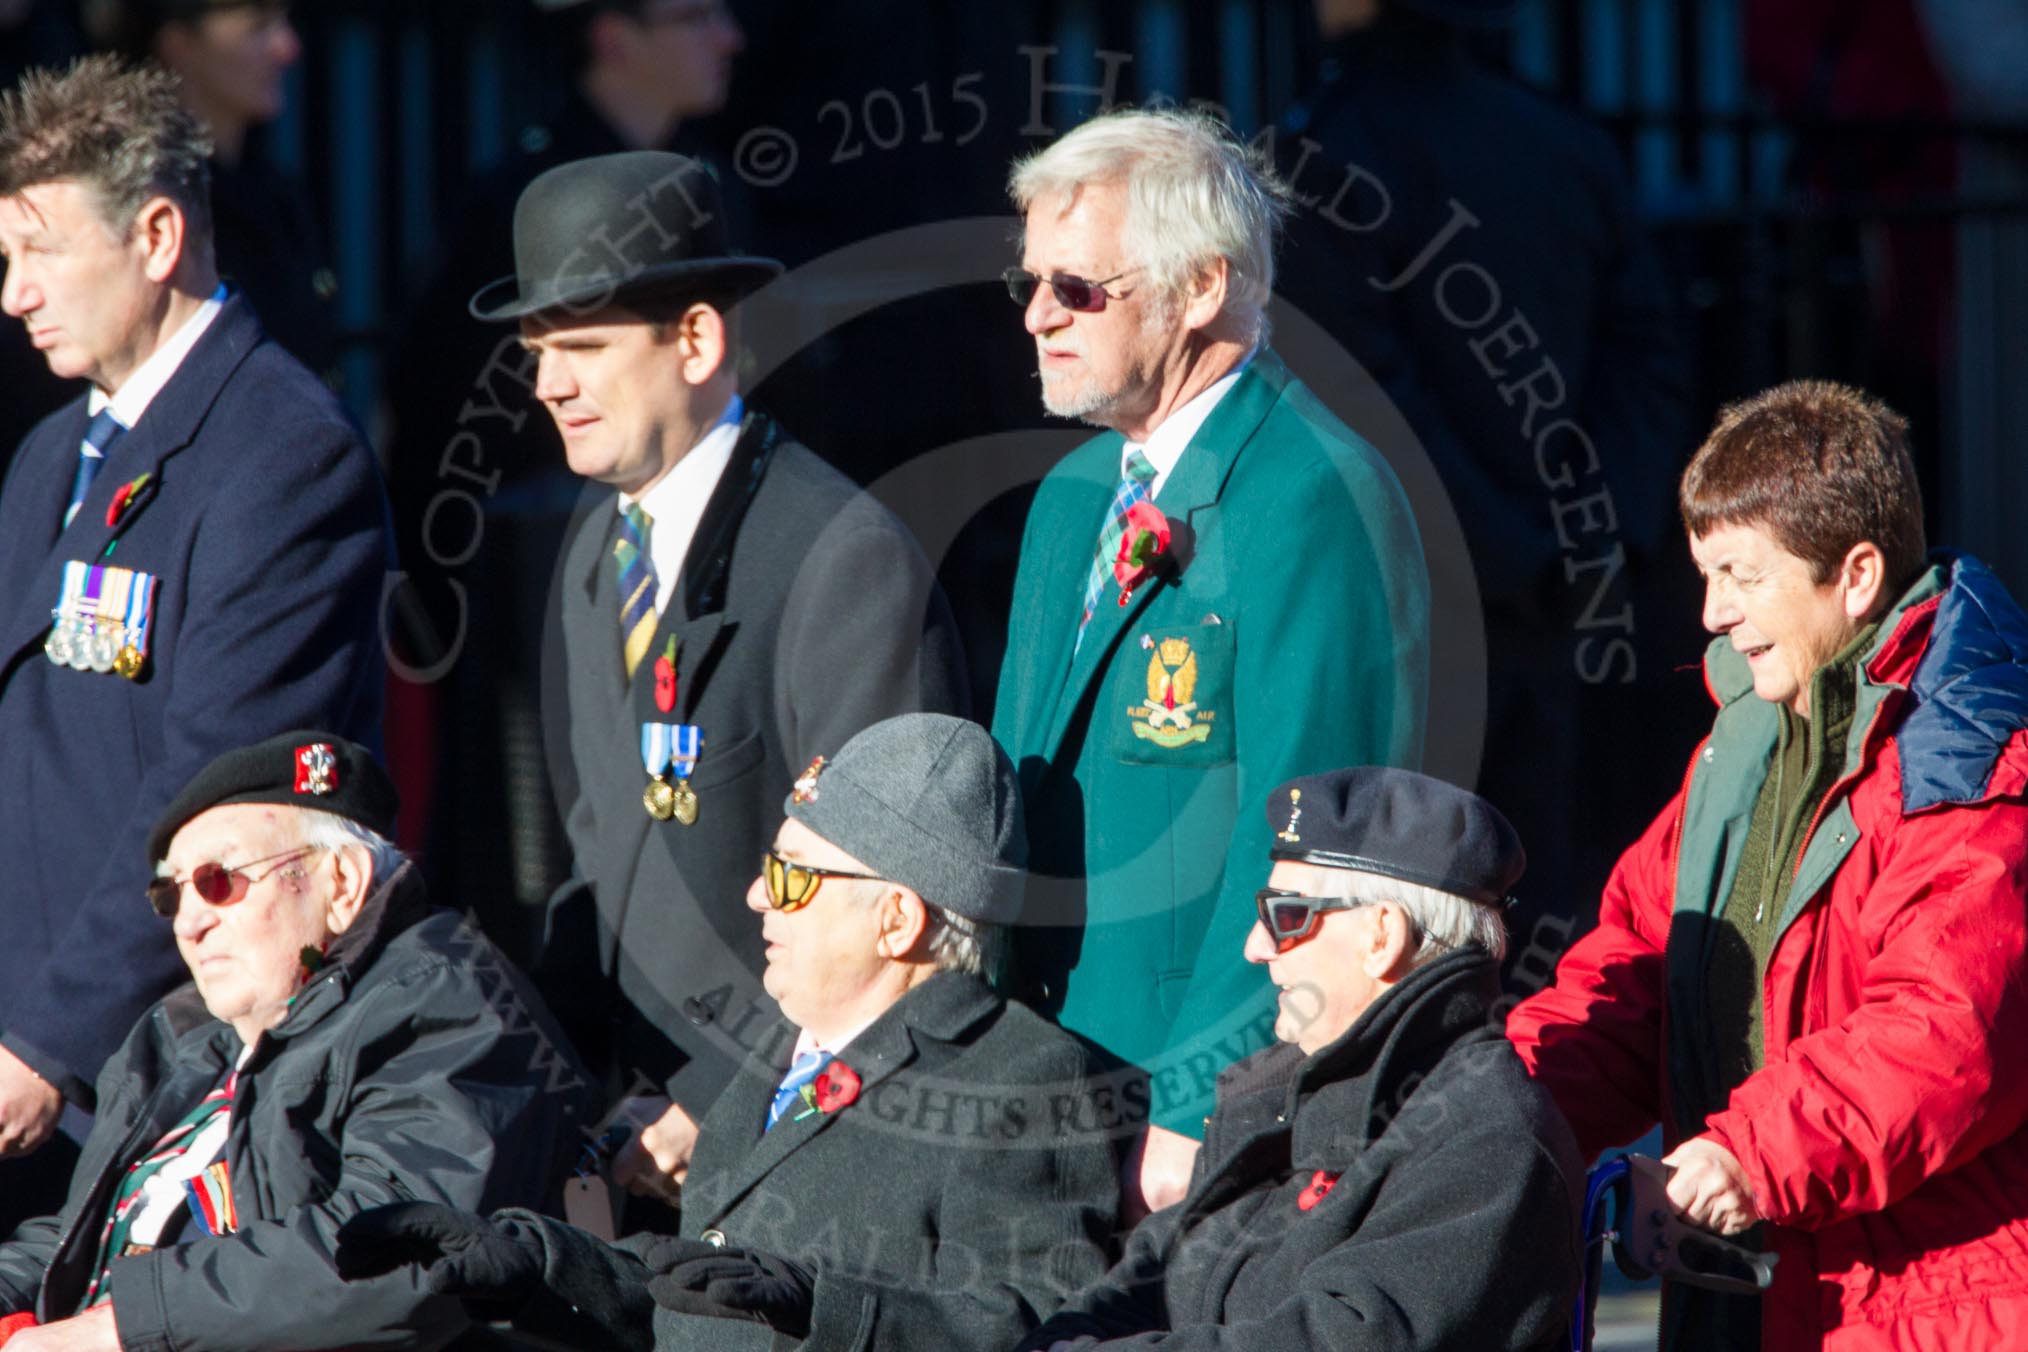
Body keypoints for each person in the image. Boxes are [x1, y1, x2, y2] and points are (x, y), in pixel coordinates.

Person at [479, 149, 967, 1215]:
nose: (549, 383)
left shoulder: (838, 554)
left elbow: (882, 908)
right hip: (630, 1137)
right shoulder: (596, 545)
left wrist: (726, 1103)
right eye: (537, 352)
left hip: (787, 1152)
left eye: (585, 347)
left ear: (697, 338)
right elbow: (601, 855)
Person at [1508, 380, 2028, 1349]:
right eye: (1707, 573)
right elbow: (1632, 972)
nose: (1712, 612)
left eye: (1743, 575)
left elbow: (1944, 1033)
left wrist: (1744, 1157)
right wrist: (1496, 1120)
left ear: (1858, 574)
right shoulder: (1741, 742)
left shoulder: (1975, 768)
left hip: (1924, 1305)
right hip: (1742, 1290)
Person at [335, 713, 1119, 1351]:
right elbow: (690, 1305)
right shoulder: (769, 1065)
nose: (756, 895)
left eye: (791, 877)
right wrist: (528, 1264)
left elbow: (1038, 1328)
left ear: (896, 919)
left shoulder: (1018, 1075)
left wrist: (826, 1309)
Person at [991, 106, 1430, 1217]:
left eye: (1080, 288)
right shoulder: (1072, 498)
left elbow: (1313, 841)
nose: (1040, 315)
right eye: (1031, 283)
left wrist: (1202, 1104)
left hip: (1176, 1107)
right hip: (1038, 1079)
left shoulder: (1313, 494)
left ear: (1200, 287)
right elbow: (1013, 784)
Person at [0, 55, 388, 1234]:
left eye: (40, 251)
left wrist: (43, 1038)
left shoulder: (281, 454)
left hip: (157, 1079)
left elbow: (213, 797)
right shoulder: (48, 454)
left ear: (158, 234)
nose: (13, 292)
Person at [1273, 0, 1690, 922]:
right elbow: (1647, 354)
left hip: (1420, 602)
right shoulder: (1560, 137)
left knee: (1405, 916)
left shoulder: (1336, 150)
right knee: (1556, 912)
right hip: (1561, 603)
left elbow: (1362, 394)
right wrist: (1600, 535)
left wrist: (1514, 550)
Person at [0, 732, 596, 1352]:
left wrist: (123, 1325)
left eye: (217, 880)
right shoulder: (179, 1035)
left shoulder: (445, 1001)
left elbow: (402, 1249)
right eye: (171, 894)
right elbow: (87, 1231)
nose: (189, 922)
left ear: (341, 882)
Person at [379, 0, 748, 957]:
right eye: (693, 15)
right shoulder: (517, 197)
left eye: (583, 344)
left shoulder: (702, 186)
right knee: (530, 865)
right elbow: (443, 422)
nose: (727, 37)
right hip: (524, 587)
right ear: (612, 33)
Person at [1017, 766, 1583, 1351]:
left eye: (1286, 917)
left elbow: (1333, 1342)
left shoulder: (1488, 1141)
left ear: (1380, 936)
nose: (1256, 947)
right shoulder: (1274, 1091)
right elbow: (1151, 1278)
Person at [83, 0, 338, 377]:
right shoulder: (130, 201)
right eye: (257, 27)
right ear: (179, 44)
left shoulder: (279, 193)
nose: (288, 47)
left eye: (283, 22)